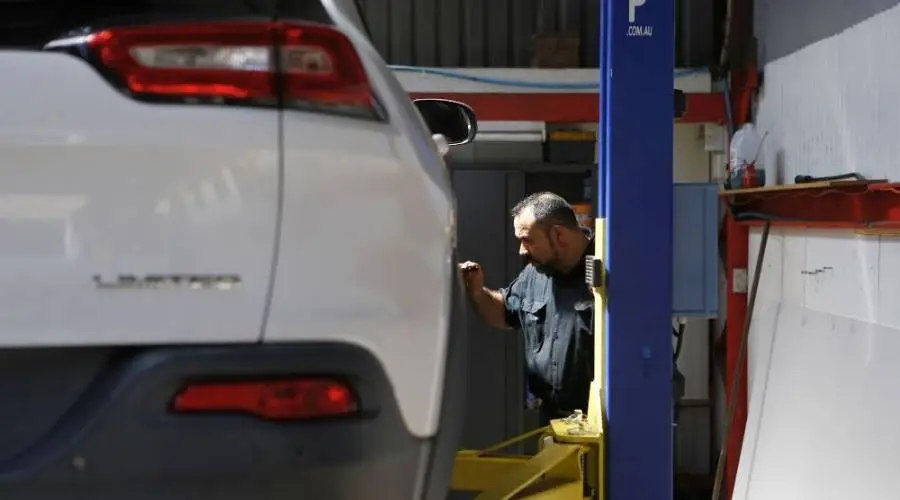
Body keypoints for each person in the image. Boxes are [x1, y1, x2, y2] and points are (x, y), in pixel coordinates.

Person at [459, 192, 594, 425]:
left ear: (559, 235)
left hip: (599, 425)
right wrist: (477, 292)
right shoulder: (536, 273)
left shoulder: (607, 274)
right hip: (553, 421)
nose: (522, 250)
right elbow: (505, 311)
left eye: (527, 240)